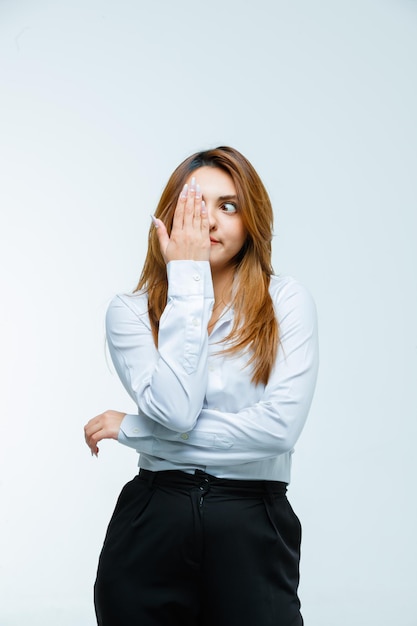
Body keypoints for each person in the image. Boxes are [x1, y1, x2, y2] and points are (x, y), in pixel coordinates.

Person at [84, 145, 319, 626]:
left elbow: (277, 432)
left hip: (252, 519)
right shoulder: (129, 312)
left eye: (228, 206)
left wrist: (134, 430)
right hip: (154, 519)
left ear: (251, 218)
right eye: (195, 205)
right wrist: (188, 279)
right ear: (168, 217)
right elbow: (176, 411)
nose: (208, 221)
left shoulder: (286, 301)